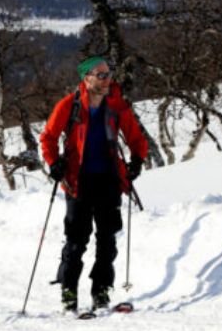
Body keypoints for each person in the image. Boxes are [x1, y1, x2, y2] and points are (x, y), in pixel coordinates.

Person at [39, 56, 148, 313]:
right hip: (78, 181)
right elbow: (48, 137)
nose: (107, 79)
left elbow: (135, 136)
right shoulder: (70, 105)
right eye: (100, 74)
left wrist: (137, 161)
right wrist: (54, 163)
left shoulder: (117, 104)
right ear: (86, 78)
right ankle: (69, 291)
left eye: (108, 74)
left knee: (107, 239)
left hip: (109, 179)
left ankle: (101, 290)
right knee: (77, 240)